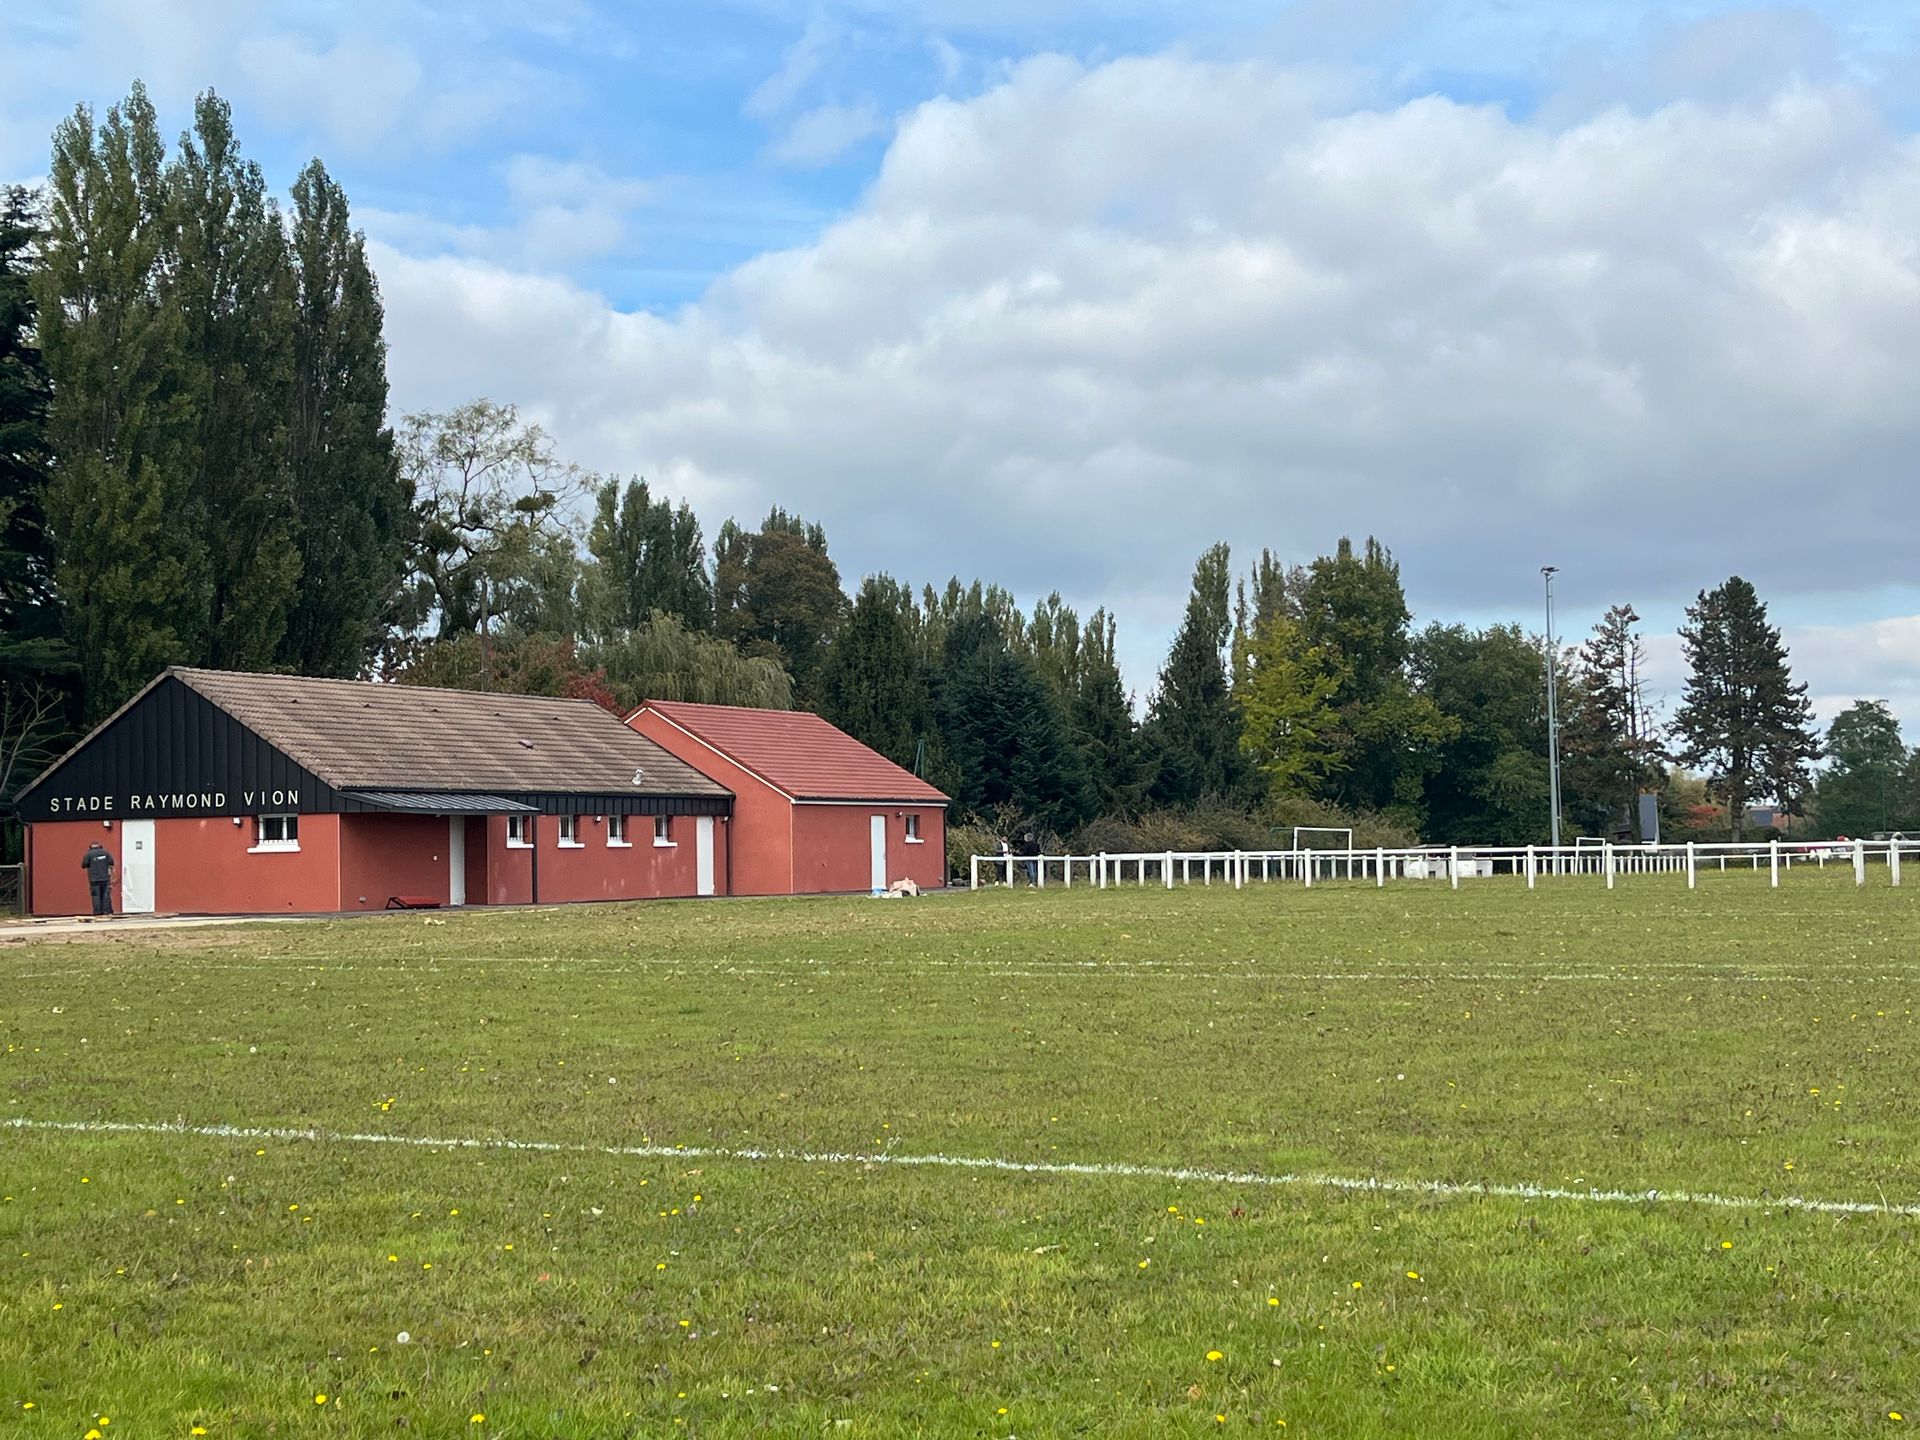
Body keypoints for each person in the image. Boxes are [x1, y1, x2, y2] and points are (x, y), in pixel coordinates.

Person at [80, 839, 115, 917]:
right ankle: (107, 912)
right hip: (105, 879)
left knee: (96, 897)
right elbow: (111, 863)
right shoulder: (106, 853)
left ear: (91, 847)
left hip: (94, 880)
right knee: (106, 896)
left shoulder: (88, 855)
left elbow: (83, 865)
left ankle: (97, 913)